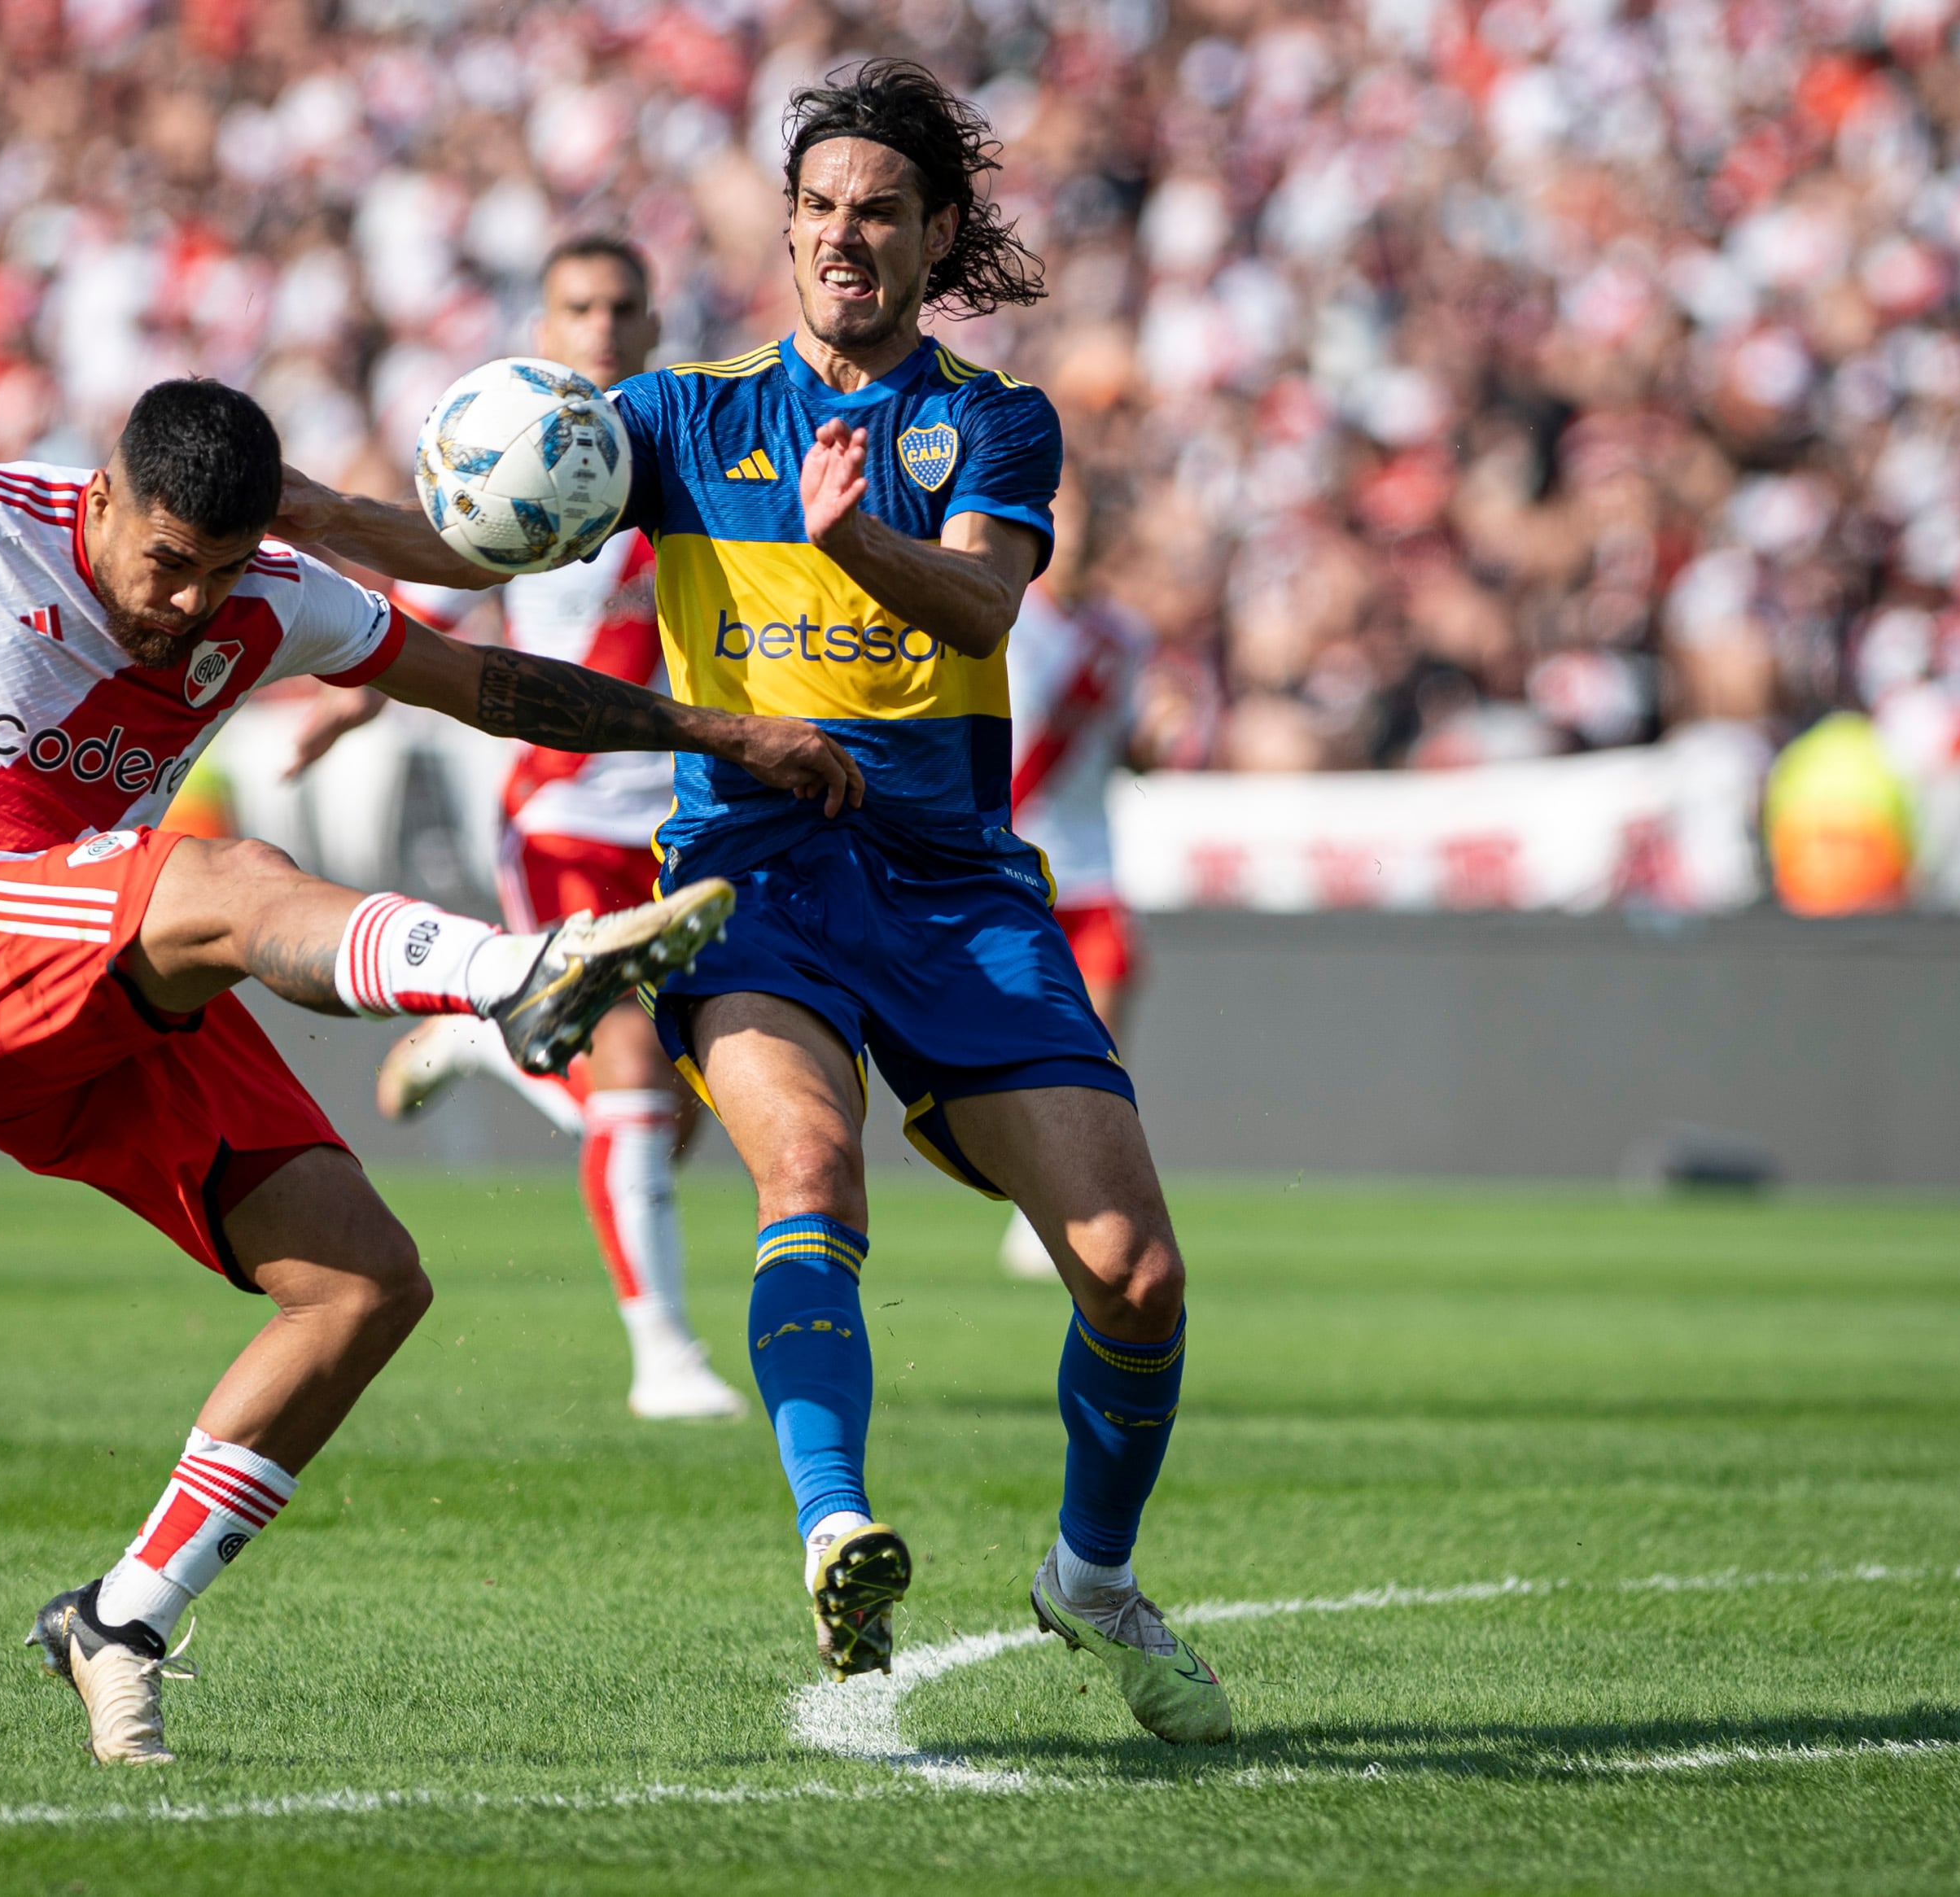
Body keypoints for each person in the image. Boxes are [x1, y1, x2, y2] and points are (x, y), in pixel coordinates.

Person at [0, 377, 860, 1766]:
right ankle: (514, 977)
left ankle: (120, 1617)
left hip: (107, 990)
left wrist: (723, 733)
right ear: (103, 497)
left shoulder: (276, 597)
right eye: (168, 562)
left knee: (365, 1282)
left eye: (221, 572)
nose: (187, 604)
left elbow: (485, 685)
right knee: (232, 878)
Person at [275, 64, 1233, 1743]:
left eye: (876, 209)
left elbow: (981, 610)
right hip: (756, 875)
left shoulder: (994, 421)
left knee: (1134, 1275)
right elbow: (470, 545)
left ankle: (1088, 1577)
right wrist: (290, 512)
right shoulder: (681, 414)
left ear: (936, 235)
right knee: (805, 1162)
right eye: (815, 209)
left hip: (953, 889)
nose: (841, 236)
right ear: (784, 231)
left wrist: (855, 535)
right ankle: (832, 1521)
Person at [282, 236, 744, 1421]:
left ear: (652, 323)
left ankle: (492, 1036)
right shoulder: (522, 456)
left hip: (693, 823)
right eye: (578, 305)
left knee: (673, 1114)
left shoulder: (695, 450)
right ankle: (665, 1359)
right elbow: (433, 604)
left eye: (622, 305)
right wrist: (350, 707)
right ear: (544, 325)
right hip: (566, 819)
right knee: (634, 1082)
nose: (600, 325)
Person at [996, 474, 1153, 1280]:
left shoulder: (1125, 635)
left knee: (1099, 1041)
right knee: (1025, 1055)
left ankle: (1076, 1203)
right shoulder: (1005, 615)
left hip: (1090, 868)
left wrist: (1158, 742)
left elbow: (1130, 749)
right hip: (1013, 864)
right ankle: (1039, 1196)